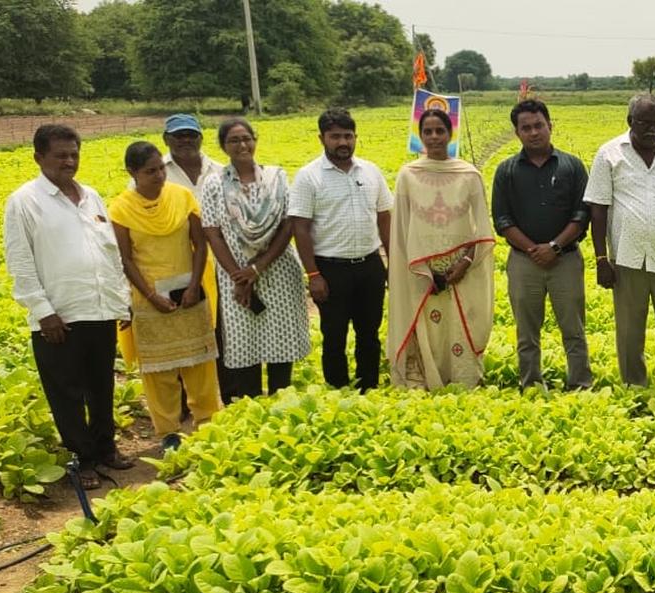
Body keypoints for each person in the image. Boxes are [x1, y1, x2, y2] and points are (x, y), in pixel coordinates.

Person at [3, 125, 134, 489]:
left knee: (101, 384)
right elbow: (20, 262)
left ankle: (106, 448)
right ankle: (83, 459)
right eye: (60, 155)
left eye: (74, 154)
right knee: (67, 392)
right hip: (59, 315)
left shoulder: (90, 195)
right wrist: (43, 311)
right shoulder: (25, 201)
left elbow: (109, 252)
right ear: (38, 157)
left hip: (100, 307)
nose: (69, 161)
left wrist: (120, 299)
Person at [109, 141, 221, 452]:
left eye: (160, 168)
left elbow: (200, 244)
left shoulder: (182, 197)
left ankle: (208, 422)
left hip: (190, 292)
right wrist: (150, 294)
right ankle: (169, 431)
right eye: (150, 171)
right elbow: (126, 259)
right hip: (150, 299)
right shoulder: (121, 208)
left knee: (201, 362)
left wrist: (194, 285)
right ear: (132, 172)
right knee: (159, 371)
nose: (159, 176)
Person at [584, 93, 655, 386]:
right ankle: (634, 387)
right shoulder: (609, 153)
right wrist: (601, 259)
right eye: (644, 123)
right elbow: (598, 210)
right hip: (627, 258)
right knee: (629, 332)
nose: (651, 129)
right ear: (630, 121)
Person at [200, 118, 311, 399]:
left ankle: (280, 402)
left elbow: (288, 224)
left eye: (246, 138)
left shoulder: (277, 177)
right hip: (234, 276)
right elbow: (213, 234)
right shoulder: (213, 184)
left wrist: (257, 269)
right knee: (243, 343)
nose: (242, 145)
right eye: (234, 140)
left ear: (255, 140)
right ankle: (249, 407)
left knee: (281, 343)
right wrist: (240, 275)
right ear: (224, 146)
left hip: (278, 271)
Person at [388, 109, 495, 389]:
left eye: (440, 131)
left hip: (460, 270)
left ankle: (461, 380)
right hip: (420, 271)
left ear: (450, 134)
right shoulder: (408, 175)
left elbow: (481, 228)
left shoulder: (469, 175)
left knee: (457, 327)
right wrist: (423, 269)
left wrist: (464, 263)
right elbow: (400, 228)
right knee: (427, 329)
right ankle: (423, 380)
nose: (434, 137)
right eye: (428, 131)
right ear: (420, 135)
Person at [491, 100, 593, 390]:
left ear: (550, 126)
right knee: (527, 332)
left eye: (539, 125)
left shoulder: (571, 166)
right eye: (526, 128)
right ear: (517, 133)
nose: (534, 132)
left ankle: (580, 384)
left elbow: (581, 214)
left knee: (574, 329)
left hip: (566, 260)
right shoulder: (506, 170)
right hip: (524, 262)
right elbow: (502, 220)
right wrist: (534, 250)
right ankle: (531, 384)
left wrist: (555, 247)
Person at [290, 108, 393, 392]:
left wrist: (392, 263)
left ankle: (368, 387)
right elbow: (300, 227)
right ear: (322, 138)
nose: (342, 142)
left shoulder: (370, 171)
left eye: (348, 136)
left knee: (369, 333)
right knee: (334, 334)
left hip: (370, 265)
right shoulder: (309, 176)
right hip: (330, 268)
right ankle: (338, 389)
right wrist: (313, 273)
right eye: (335, 136)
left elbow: (384, 216)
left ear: (356, 137)